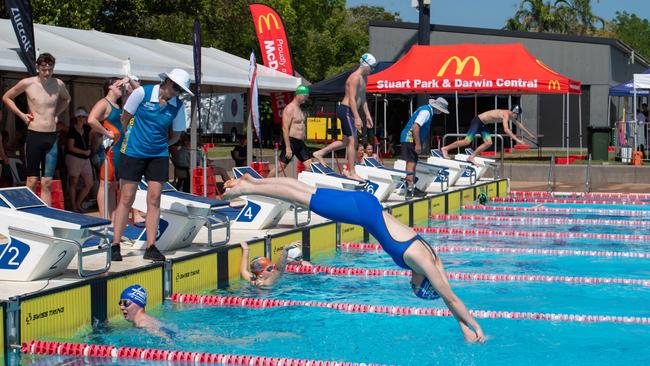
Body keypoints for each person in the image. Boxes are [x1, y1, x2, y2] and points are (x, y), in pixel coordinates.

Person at [224, 176, 485, 343]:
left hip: (366, 205)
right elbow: (450, 297)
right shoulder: (420, 261)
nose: (410, 283)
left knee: (302, 190)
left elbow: (447, 294)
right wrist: (476, 326)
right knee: (299, 196)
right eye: (414, 287)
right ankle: (248, 187)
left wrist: (463, 328)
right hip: (360, 211)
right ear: (423, 282)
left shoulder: (432, 259)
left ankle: (253, 183)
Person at [110, 68, 192, 262]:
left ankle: (151, 246)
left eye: (180, 90)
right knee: (126, 198)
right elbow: (125, 118)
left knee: (154, 200)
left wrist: (160, 145)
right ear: (167, 81)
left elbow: (176, 135)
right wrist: (133, 139)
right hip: (133, 152)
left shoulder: (177, 106)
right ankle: (115, 245)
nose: (176, 92)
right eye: (175, 87)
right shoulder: (142, 93)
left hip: (158, 155)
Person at [2, 53, 71, 206]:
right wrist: (22, 115)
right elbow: (6, 97)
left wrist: (56, 113)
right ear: (37, 68)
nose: (47, 73)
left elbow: (67, 99)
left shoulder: (58, 84)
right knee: (32, 180)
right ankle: (28, 213)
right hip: (34, 134)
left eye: (50, 70)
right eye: (44, 69)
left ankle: (46, 215)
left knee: (47, 182)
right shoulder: (28, 83)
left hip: (52, 136)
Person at [313, 53, 376, 180]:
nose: (372, 70)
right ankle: (351, 172)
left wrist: (368, 115)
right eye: (372, 67)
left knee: (345, 141)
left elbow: (362, 99)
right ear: (365, 65)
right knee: (353, 141)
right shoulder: (354, 78)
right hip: (346, 110)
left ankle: (320, 152)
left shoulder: (364, 78)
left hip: (351, 111)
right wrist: (357, 117)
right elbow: (352, 99)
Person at [88, 76, 139, 220]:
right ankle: (105, 217)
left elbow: (139, 93)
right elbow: (91, 120)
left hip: (119, 148)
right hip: (110, 150)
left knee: (113, 184)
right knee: (105, 183)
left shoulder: (117, 105)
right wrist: (106, 132)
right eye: (118, 86)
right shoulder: (104, 103)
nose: (121, 88)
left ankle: (111, 217)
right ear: (110, 87)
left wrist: (128, 79)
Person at [441, 106, 527, 165]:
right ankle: (445, 148)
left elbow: (519, 125)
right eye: (517, 115)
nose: (517, 117)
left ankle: (471, 157)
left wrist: (530, 134)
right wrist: (518, 140)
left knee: (488, 143)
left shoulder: (510, 115)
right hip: (477, 121)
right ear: (514, 112)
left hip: (482, 124)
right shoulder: (506, 115)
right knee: (467, 141)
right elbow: (506, 129)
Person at [400, 97, 449, 194]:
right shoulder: (426, 112)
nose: (441, 113)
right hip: (410, 139)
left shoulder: (425, 109)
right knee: (411, 163)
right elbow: (415, 126)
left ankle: (410, 186)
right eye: (442, 111)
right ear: (438, 108)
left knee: (412, 162)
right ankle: (410, 189)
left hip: (409, 138)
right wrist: (418, 144)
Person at [268, 84, 313, 177]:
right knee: (280, 167)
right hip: (291, 142)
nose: (306, 98)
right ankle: (262, 183)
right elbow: (285, 128)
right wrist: (288, 147)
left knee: (310, 166)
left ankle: (304, 188)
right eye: (305, 96)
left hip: (299, 142)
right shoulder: (289, 108)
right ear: (298, 95)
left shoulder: (299, 109)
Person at [65, 107, 94, 212]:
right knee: (74, 182)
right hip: (74, 158)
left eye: (84, 116)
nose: (83, 118)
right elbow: (70, 147)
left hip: (85, 158)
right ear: (77, 118)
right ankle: (73, 206)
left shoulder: (87, 128)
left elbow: (92, 135)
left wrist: (90, 147)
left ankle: (78, 203)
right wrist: (84, 152)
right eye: (81, 116)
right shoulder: (72, 130)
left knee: (89, 183)